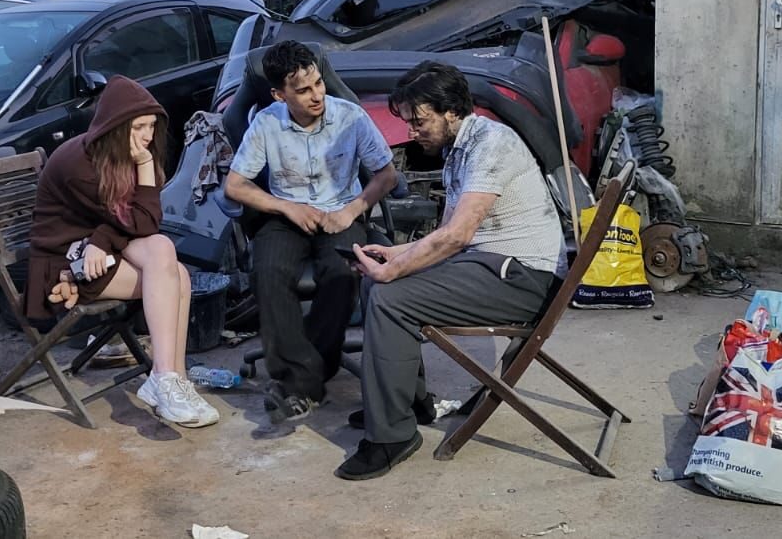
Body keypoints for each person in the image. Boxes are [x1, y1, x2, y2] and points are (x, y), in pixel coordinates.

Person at [337, 61, 564, 480]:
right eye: (410, 122)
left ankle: (391, 437)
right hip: (492, 265)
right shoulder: (460, 148)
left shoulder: (492, 144)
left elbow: (458, 236)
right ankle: (403, 405)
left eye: (420, 121)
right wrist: (393, 254)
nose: (412, 132)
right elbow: (446, 233)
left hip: (521, 278)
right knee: (376, 286)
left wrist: (395, 271)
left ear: (452, 110)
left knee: (388, 296)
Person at [27, 75, 220, 428]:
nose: (147, 135)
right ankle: (166, 379)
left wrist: (103, 238)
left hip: (98, 249)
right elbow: (141, 222)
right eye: (139, 127)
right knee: (174, 276)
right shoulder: (80, 166)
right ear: (115, 127)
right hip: (64, 266)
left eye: (151, 126)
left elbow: (141, 224)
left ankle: (172, 380)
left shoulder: (124, 155)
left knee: (169, 260)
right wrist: (143, 168)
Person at [224, 41, 397, 422]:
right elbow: (234, 186)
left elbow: (387, 175)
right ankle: (304, 379)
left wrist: (351, 211)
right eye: (303, 90)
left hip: (342, 211)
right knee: (268, 274)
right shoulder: (266, 123)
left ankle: (300, 383)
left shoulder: (350, 116)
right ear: (279, 95)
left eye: (318, 83)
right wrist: (286, 207)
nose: (317, 95)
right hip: (286, 215)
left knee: (341, 275)